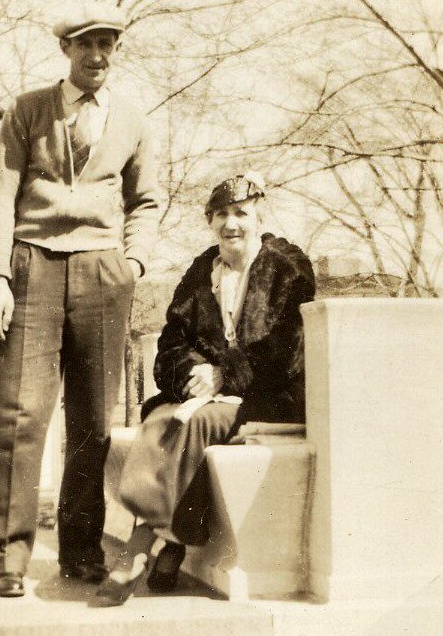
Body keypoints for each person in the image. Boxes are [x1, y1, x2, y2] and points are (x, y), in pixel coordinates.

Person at [0, 1, 158, 597]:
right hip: (31, 264)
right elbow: (0, 193)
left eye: (107, 44)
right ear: (66, 50)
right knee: (19, 414)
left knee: (93, 421)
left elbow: (146, 200)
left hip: (102, 271)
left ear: (116, 51)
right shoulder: (28, 109)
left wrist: (133, 262)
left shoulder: (133, 119)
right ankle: (5, 560)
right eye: (86, 44)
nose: (97, 55)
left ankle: (80, 552)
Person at [94, 172, 315, 606]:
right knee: (160, 417)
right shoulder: (202, 272)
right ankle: (172, 540)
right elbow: (171, 343)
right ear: (210, 221)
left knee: (200, 422)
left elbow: (287, 349)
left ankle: (140, 545)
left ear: (259, 216)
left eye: (241, 213)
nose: (231, 224)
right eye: (221, 215)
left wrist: (225, 373)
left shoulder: (287, 269)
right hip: (208, 394)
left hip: (269, 395)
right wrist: (196, 372)